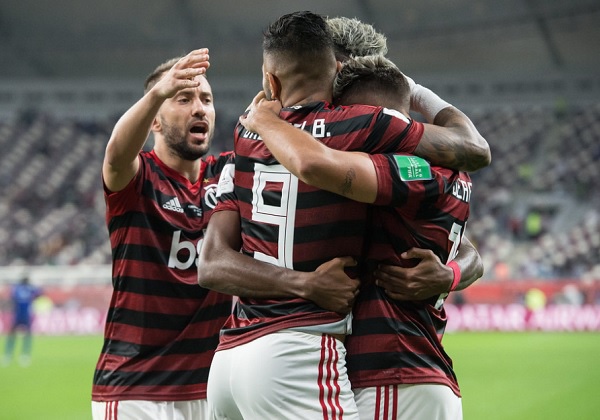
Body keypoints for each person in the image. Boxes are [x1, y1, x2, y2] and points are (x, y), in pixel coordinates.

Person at [198, 11, 488, 420]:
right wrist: (414, 91)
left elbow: (211, 262)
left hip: (233, 356)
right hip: (313, 352)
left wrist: (261, 116)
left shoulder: (247, 136)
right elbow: (473, 151)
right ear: (335, 70)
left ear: (272, 81)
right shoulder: (376, 138)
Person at [90, 49, 235, 420]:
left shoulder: (227, 176)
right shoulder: (138, 178)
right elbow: (116, 155)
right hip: (136, 391)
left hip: (211, 390)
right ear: (154, 119)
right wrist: (157, 92)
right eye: (183, 99)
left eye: (206, 99)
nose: (199, 108)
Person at [2, 275, 42, 367]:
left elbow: (11, 298)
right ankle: (24, 355)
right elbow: (40, 293)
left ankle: (8, 355)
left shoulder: (16, 288)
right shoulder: (31, 289)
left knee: (12, 336)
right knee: (26, 336)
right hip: (26, 315)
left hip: (17, 315)